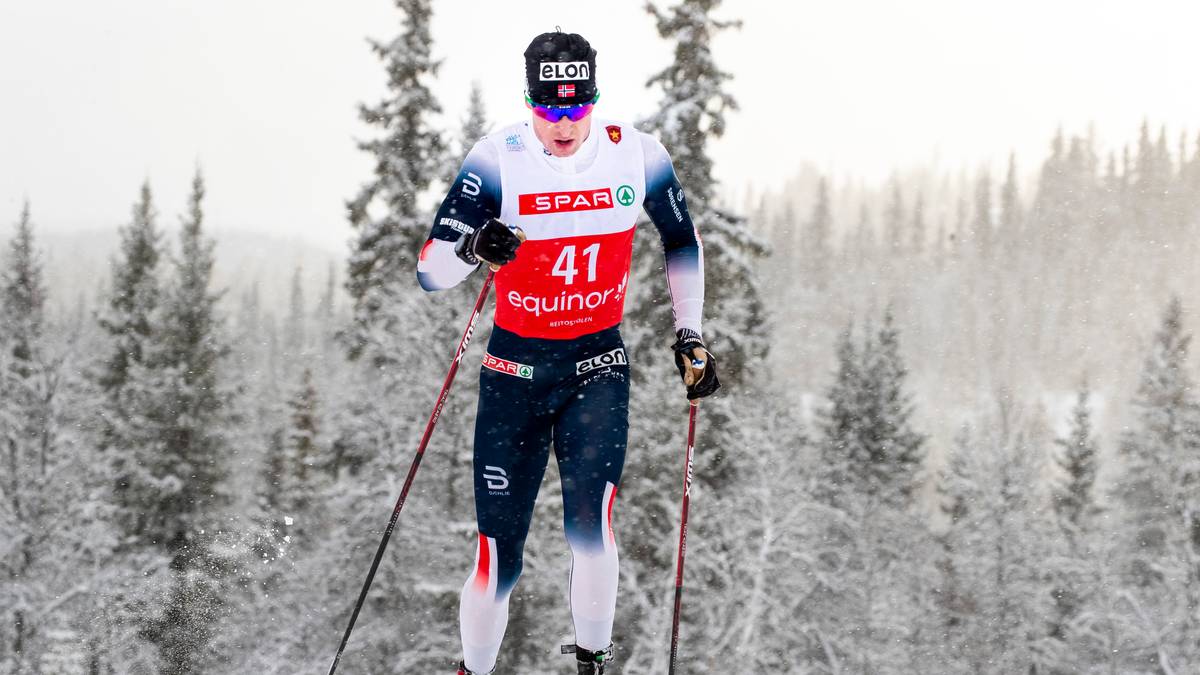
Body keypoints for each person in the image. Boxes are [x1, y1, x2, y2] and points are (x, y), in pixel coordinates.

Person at [418, 29, 719, 675]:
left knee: (593, 527)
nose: (563, 122)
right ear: (530, 100)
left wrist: (688, 331)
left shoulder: (634, 154)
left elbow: (682, 240)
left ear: (593, 98)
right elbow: (431, 269)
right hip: (514, 373)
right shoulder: (497, 157)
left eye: (576, 106)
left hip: (595, 366)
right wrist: (475, 246)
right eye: (549, 108)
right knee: (498, 552)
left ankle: (592, 660)